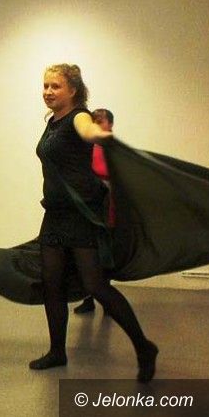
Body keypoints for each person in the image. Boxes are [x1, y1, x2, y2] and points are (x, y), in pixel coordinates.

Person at [30, 64, 157, 382]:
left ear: (73, 90)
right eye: (45, 86)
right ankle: (57, 351)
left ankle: (144, 347)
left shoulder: (79, 117)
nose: (48, 91)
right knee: (51, 283)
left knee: (96, 285)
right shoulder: (52, 123)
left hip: (80, 214)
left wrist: (101, 134)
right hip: (54, 214)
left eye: (55, 86)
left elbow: (88, 131)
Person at [73, 108, 114, 315]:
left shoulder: (112, 148)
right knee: (87, 252)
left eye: (100, 121)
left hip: (108, 206)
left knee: (105, 254)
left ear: (110, 125)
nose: (96, 125)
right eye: (94, 121)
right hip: (89, 206)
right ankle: (88, 299)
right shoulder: (88, 146)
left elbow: (112, 174)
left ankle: (107, 301)